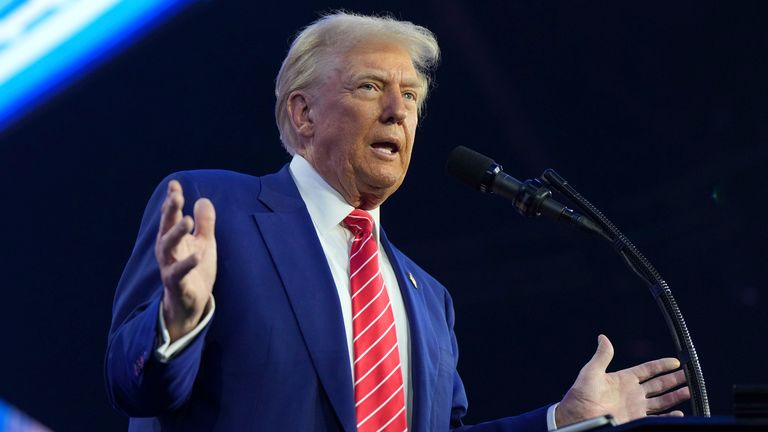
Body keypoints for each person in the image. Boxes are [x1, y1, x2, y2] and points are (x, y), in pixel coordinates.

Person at [105, 12, 690, 431]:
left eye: (410, 96)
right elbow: (133, 386)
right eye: (370, 87)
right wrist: (177, 322)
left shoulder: (429, 299)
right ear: (302, 113)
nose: (397, 110)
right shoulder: (216, 209)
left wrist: (560, 421)